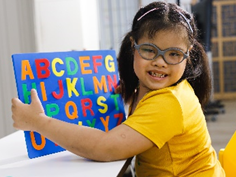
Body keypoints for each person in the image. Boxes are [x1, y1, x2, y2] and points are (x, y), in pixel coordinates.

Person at [11, 1, 225, 176]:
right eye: (150, 50)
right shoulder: (148, 88)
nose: (161, 62)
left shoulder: (170, 102)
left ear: (188, 55)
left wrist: (38, 121)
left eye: (174, 54)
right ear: (134, 46)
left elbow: (105, 148)